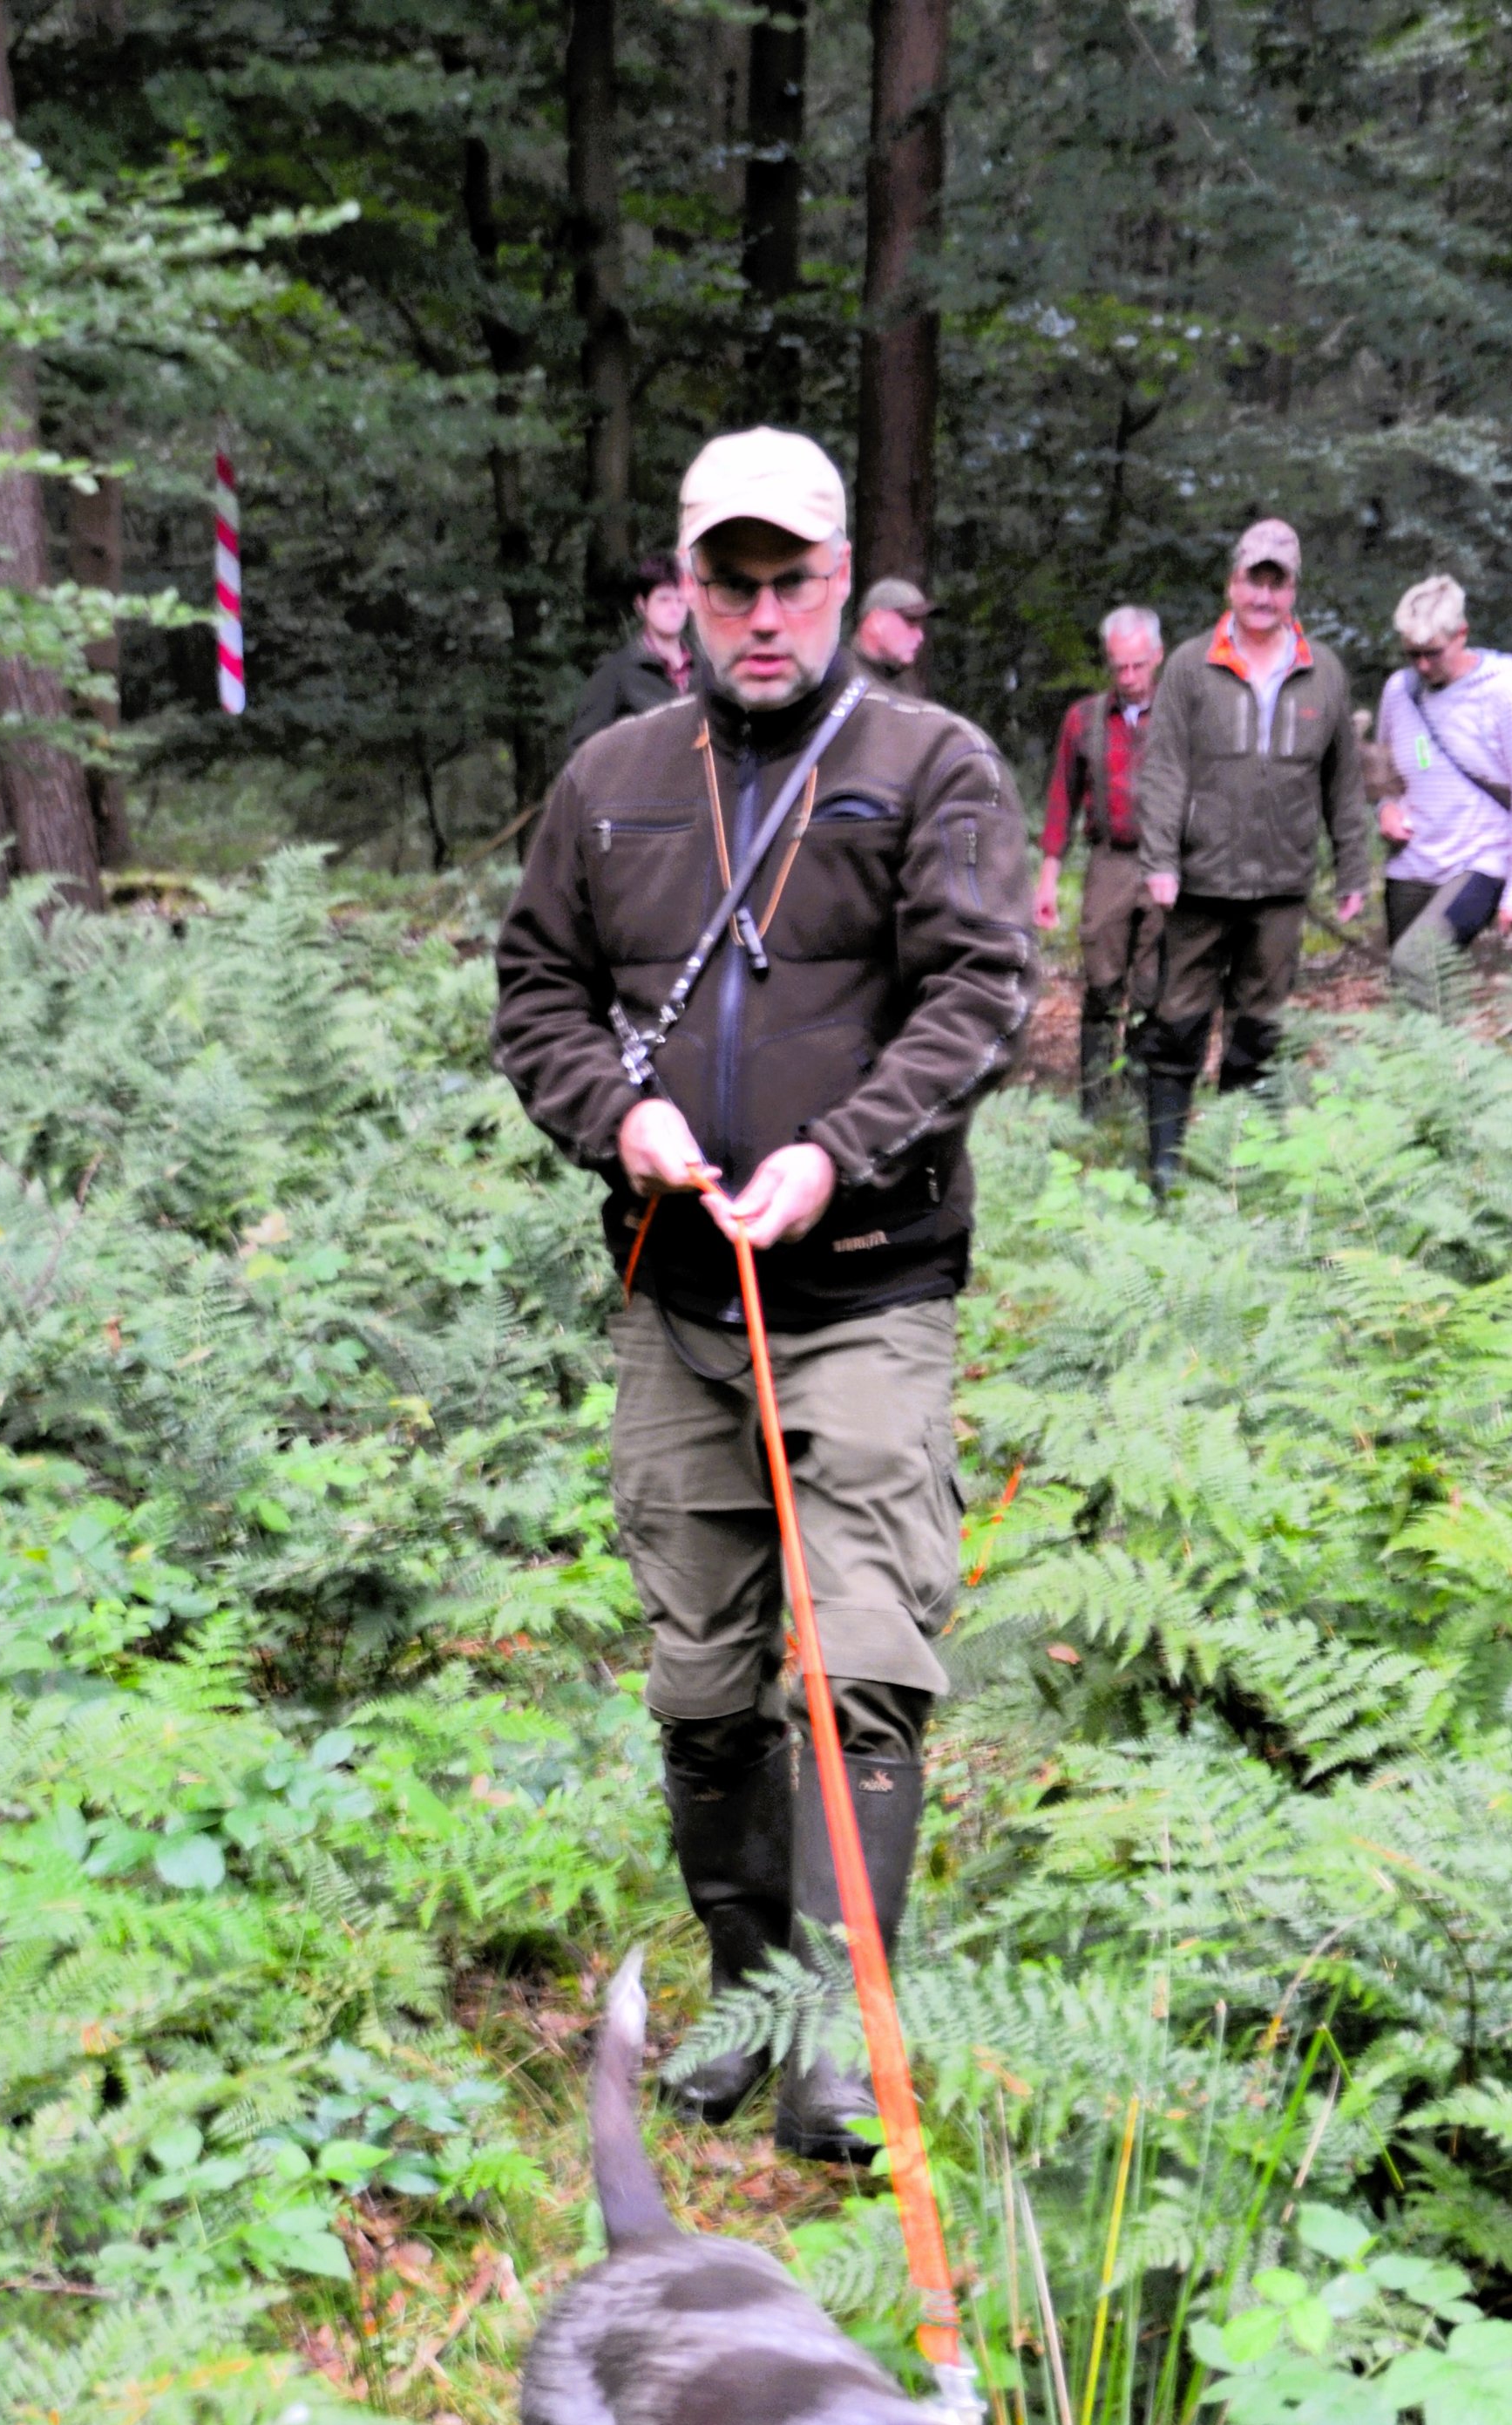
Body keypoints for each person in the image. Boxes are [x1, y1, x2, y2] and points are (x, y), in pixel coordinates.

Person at [494, 429, 1031, 2160]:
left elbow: (978, 995)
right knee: (702, 1685)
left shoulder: (932, 765)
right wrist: (617, 1116)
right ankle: (741, 1996)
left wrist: (836, 1153)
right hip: (675, 1298)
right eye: (730, 585)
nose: (763, 614)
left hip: (867, 1287)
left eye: (792, 580)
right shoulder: (611, 781)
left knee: (860, 1671)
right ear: (685, 591)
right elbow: (536, 989)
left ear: (841, 581)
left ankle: (833, 2042)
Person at [1136, 519, 1367, 1182]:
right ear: (1232, 583)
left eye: (1277, 583)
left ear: (1293, 590)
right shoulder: (1190, 666)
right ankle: (1166, 1166)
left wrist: (1353, 867)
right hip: (1198, 880)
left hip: (1282, 884)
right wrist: (1159, 859)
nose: (1264, 596)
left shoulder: (1324, 671)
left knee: (1260, 1027)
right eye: (1253, 580)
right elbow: (1164, 769)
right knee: (1178, 1021)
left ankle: (1240, 1163)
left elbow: (1343, 780)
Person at [1373, 575, 1512, 1004]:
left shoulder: (1506, 692)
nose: (1422, 666)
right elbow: (1386, 774)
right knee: (1412, 988)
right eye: (1412, 654)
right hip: (1412, 861)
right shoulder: (1400, 691)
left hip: (1480, 859)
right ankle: (1438, 1049)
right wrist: (1386, 809)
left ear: (1461, 634)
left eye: (1432, 653)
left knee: (1416, 962)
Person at [1034, 605, 1167, 1115]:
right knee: (1102, 982)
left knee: (1154, 985)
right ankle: (1093, 1104)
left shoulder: (1180, 715)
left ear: (1157, 657)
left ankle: (1138, 1099)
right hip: (1109, 861)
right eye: (1119, 666)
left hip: (1165, 862)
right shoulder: (1084, 719)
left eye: (1138, 665)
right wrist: (1048, 878)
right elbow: (1060, 800)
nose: (1128, 677)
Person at [566, 550, 695, 751]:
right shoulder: (616, 673)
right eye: (664, 599)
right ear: (641, 604)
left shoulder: (707, 670)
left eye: (681, 599)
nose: (674, 608)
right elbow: (583, 749)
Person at [852, 576, 932, 691]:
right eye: (911, 622)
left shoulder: (904, 681)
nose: (920, 636)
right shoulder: (840, 678)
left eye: (921, 625)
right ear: (876, 621)